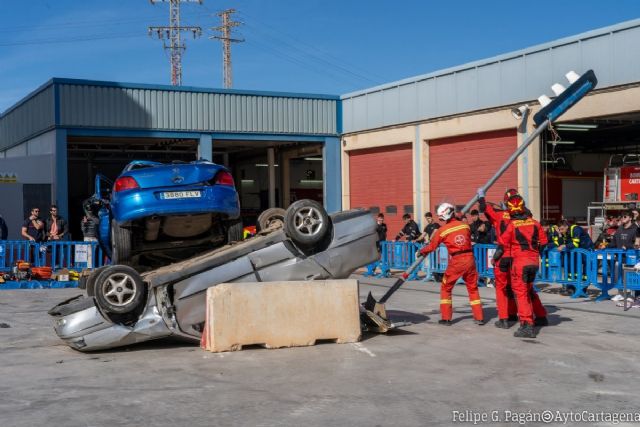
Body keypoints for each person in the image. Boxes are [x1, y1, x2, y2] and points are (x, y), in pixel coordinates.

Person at [417, 203, 485, 326]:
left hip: (457, 260)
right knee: (473, 288)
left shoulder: (442, 231)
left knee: (446, 287)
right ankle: (479, 317)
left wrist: (421, 251)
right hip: (470, 259)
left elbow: (432, 246)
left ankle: (446, 318)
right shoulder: (465, 226)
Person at [500, 195, 548, 338]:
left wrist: (498, 260)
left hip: (520, 263)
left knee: (520, 293)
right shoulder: (535, 223)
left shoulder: (511, 226)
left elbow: (502, 245)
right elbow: (544, 243)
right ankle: (541, 317)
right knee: (529, 290)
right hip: (534, 262)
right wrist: (535, 254)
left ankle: (527, 325)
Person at [477, 188, 519, 327]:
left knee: (501, 288)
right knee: (515, 287)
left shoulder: (500, 215)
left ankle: (504, 318)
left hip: (502, 255)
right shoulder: (525, 218)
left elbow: (483, 207)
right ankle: (515, 314)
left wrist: (481, 196)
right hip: (518, 256)